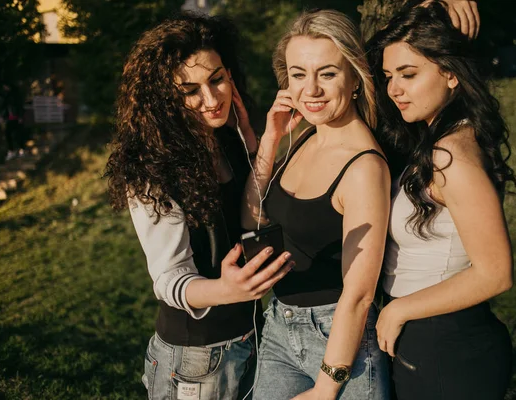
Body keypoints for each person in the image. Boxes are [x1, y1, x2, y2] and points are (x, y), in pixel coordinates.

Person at [104, 14, 294, 400]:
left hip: (253, 339)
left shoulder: (224, 139)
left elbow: (253, 213)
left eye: (217, 79)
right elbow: (169, 280)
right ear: (164, 98)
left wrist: (258, 142)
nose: (211, 100)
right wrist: (227, 288)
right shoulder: (151, 169)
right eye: (190, 90)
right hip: (197, 358)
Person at [366, 1, 516, 399]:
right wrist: (426, 9)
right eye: (389, 76)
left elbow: (496, 272)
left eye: (408, 74)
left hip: (446, 344)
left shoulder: (451, 157)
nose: (393, 89)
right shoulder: (434, 139)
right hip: (429, 335)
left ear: (450, 73)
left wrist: (399, 310)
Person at [242, 10, 392, 400]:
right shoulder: (306, 136)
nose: (311, 89)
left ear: (355, 77)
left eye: (327, 73)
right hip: (279, 328)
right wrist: (271, 140)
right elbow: (252, 218)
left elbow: (359, 294)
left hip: (340, 341)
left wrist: (327, 389)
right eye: (298, 74)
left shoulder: (363, 167)